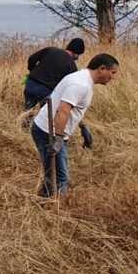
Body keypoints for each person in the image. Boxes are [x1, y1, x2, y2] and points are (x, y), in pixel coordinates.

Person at [31, 53, 119, 198]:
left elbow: (72, 108)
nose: (113, 77)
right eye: (113, 72)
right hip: (47, 131)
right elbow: (63, 110)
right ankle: (54, 210)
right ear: (102, 69)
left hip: (50, 129)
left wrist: (83, 127)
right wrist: (58, 138)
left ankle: (44, 200)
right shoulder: (81, 84)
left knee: (53, 173)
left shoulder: (82, 78)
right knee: (60, 178)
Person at [24, 38, 93, 148]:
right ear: (76, 53)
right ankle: (45, 141)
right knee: (46, 117)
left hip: (31, 84)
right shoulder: (72, 66)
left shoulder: (50, 50)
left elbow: (32, 59)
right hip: (46, 92)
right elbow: (69, 86)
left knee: (28, 111)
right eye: (78, 55)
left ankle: (24, 135)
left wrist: (33, 71)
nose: (77, 58)